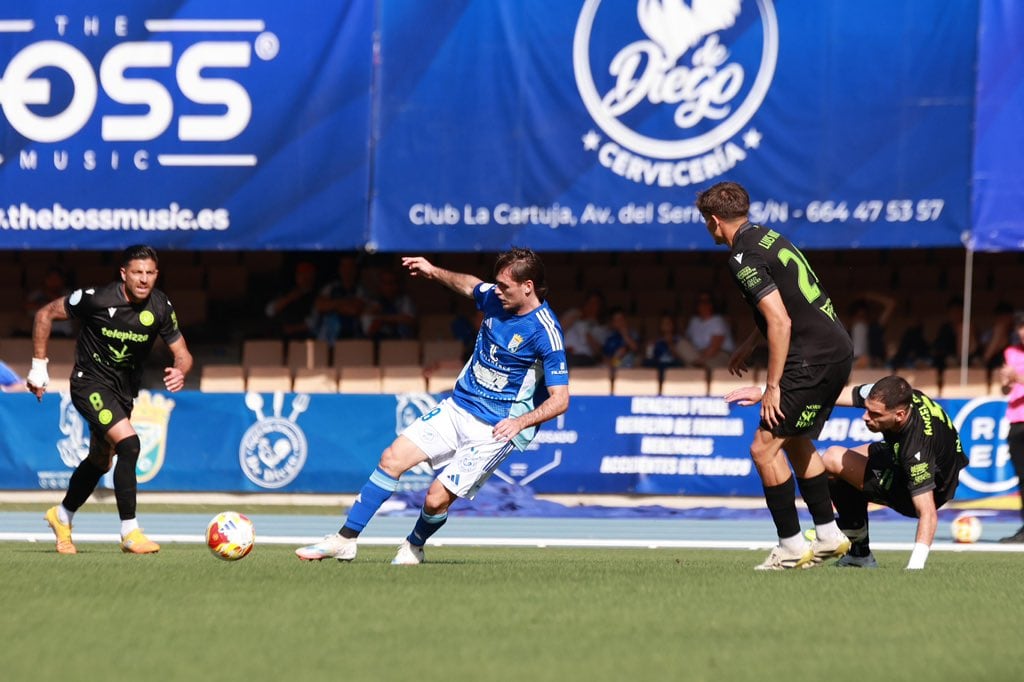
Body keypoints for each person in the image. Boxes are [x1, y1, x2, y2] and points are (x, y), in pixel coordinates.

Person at [296, 247, 569, 564]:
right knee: (391, 459)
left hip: (494, 429)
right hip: (458, 407)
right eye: (496, 284)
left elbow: (560, 399)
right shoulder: (496, 298)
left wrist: (520, 423)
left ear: (528, 286)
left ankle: (414, 545)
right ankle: (345, 540)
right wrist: (432, 270)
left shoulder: (545, 332)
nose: (496, 291)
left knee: (435, 499)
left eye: (504, 286)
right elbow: (469, 284)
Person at [697, 181, 853, 570]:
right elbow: (788, 303)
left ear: (714, 220)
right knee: (796, 441)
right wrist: (751, 343)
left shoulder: (741, 257)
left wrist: (772, 387)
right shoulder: (768, 237)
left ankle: (791, 546)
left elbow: (781, 321)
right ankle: (829, 535)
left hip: (810, 357)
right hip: (836, 350)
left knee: (763, 448)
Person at [28, 245, 193, 555]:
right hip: (88, 383)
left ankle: (61, 516)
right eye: (137, 272)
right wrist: (39, 367)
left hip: (123, 391)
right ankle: (130, 532)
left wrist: (180, 370)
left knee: (100, 461)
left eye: (149, 273)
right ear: (123, 274)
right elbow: (45, 313)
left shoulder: (160, 306)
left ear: (156, 275)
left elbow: (183, 353)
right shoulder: (97, 298)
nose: (143, 279)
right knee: (130, 444)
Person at [818, 375, 968, 568]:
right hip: (907, 456)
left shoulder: (915, 448)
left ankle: (857, 547)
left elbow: (928, 512)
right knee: (845, 462)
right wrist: (801, 397)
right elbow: (841, 394)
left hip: (923, 489)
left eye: (875, 414)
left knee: (832, 458)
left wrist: (915, 567)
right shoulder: (894, 396)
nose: (865, 417)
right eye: (867, 409)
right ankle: (856, 547)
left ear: (899, 415)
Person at [997, 312, 1024, 543]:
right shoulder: (1011, 352)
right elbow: (1007, 390)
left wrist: (1018, 377)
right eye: (1020, 328)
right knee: (1022, 477)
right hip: (1016, 419)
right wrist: (1006, 382)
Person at [313, 253, 367, 344]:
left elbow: (354, 310)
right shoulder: (330, 288)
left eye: (350, 267)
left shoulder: (360, 290)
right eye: (344, 266)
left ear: (355, 270)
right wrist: (345, 303)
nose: (347, 270)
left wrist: (332, 305)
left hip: (352, 339)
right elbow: (320, 306)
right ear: (340, 269)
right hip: (327, 339)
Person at [678, 291, 735, 368]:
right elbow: (688, 341)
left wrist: (702, 359)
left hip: (718, 354)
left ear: (712, 304)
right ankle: (697, 366)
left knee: (691, 366)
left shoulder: (718, 320)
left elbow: (715, 347)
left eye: (706, 302)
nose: (703, 305)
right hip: (698, 354)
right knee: (681, 344)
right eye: (700, 302)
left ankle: (696, 366)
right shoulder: (694, 321)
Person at [264, 260, 318, 340]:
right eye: (300, 273)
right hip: (279, 338)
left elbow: (313, 322)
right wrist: (289, 298)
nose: (304, 277)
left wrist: (292, 329)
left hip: (302, 339)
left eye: (308, 273)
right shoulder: (287, 292)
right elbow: (269, 311)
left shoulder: (316, 296)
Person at [361, 268, 417, 341]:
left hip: (401, 342)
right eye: (385, 283)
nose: (388, 287)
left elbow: (410, 320)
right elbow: (367, 326)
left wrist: (384, 319)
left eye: (391, 283)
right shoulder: (374, 302)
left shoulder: (404, 300)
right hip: (380, 342)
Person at [847, 291, 895, 368]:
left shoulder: (874, 330)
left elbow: (890, 303)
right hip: (853, 364)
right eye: (858, 317)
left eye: (863, 316)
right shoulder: (846, 333)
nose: (860, 321)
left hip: (871, 365)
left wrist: (870, 296)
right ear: (852, 318)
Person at [561, 290, 608, 367]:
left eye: (595, 303)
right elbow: (557, 331)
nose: (591, 306)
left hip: (584, 358)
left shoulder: (601, 327)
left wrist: (586, 333)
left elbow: (599, 352)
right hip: (563, 353)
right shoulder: (574, 314)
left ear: (600, 306)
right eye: (589, 302)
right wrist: (577, 315)